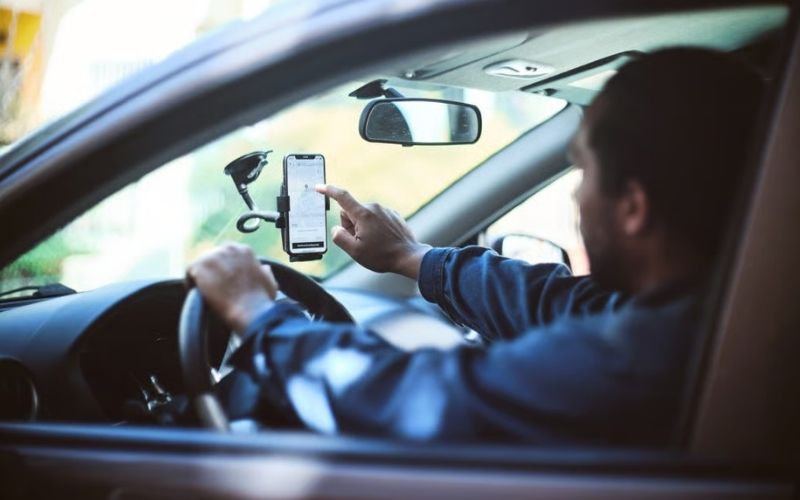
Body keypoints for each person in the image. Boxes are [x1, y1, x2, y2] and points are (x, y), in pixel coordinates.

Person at [186, 48, 764, 445]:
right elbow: (560, 304)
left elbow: (415, 399)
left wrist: (261, 318)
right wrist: (413, 258)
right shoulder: (711, 319)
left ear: (634, 207)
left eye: (581, 174)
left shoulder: (649, 357)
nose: (576, 200)